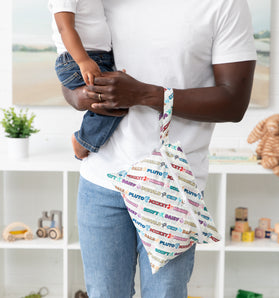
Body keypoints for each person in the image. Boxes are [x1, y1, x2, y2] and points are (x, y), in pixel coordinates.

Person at [62, 0, 256, 297]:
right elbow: (71, 68)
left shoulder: (224, 5)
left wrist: (143, 94)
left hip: (171, 185)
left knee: (165, 293)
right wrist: (78, 97)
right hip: (100, 181)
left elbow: (234, 101)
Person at [48, 0, 123, 159]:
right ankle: (83, 142)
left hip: (100, 59)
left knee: (117, 97)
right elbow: (65, 27)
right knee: (114, 100)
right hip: (76, 61)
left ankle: (86, 139)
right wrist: (83, 61)